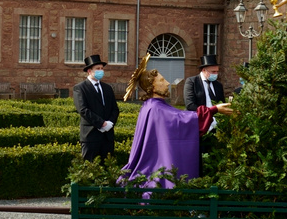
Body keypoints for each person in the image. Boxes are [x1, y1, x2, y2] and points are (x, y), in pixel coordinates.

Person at [119, 55, 233, 191]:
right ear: (152, 86)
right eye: (161, 80)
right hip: (157, 165)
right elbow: (180, 119)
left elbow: (178, 116)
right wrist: (213, 110)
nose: (167, 83)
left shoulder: (152, 105)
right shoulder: (155, 108)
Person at [182, 54, 227, 171]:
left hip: (215, 127)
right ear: (204, 70)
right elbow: (190, 105)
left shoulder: (218, 85)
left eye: (217, 72)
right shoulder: (192, 82)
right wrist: (208, 112)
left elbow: (221, 103)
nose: (215, 74)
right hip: (199, 126)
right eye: (213, 71)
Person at [72, 54, 119, 161]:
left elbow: (115, 109)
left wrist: (110, 123)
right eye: (97, 69)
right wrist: (101, 123)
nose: (101, 71)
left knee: (108, 168)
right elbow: (83, 110)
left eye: (102, 69)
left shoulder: (107, 88)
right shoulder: (80, 88)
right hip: (91, 136)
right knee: (90, 168)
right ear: (89, 71)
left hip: (107, 136)